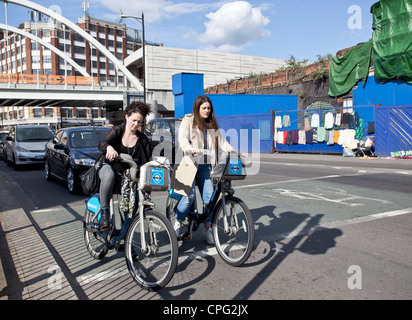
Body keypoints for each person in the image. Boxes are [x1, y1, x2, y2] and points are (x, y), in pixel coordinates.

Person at [173, 95, 234, 244]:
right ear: (197, 108)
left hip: (206, 166)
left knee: (210, 199)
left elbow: (222, 141)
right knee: (189, 197)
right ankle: (178, 221)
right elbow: (182, 138)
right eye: (204, 108)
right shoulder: (188, 120)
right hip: (190, 164)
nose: (207, 111)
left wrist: (230, 149)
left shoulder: (212, 124)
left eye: (208, 108)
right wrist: (189, 148)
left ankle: (207, 229)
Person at [98, 101, 152, 230]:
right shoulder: (117, 131)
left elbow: (147, 161)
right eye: (134, 120)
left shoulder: (142, 139)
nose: (136, 124)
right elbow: (102, 143)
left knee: (127, 211)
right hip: (110, 167)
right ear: (126, 116)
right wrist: (109, 148)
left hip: (127, 177)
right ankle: (104, 213)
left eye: (139, 122)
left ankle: (126, 240)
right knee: (109, 175)